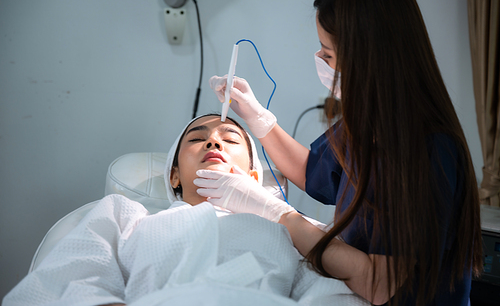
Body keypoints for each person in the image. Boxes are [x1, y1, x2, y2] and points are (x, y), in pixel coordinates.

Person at [198, 0, 483, 305]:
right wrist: (257, 118)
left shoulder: (430, 152)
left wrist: (278, 213)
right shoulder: (367, 126)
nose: (320, 60)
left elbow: (378, 284)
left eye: (328, 54)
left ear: (368, 59)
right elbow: (313, 172)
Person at [2, 114, 368, 306]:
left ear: (255, 177)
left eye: (230, 138)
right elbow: (65, 279)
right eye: (197, 138)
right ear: (174, 175)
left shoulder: (295, 235)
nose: (212, 140)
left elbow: (336, 294)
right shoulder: (123, 216)